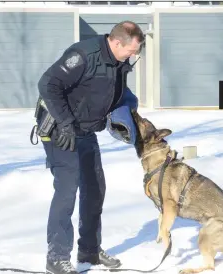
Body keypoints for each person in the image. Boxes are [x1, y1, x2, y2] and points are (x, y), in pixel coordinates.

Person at [35, 21, 145, 274]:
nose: (134, 55)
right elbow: (48, 85)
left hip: (84, 130)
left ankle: (90, 251)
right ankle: (57, 257)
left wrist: (128, 114)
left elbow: (114, 91)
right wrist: (64, 123)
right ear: (117, 42)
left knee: (95, 187)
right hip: (59, 130)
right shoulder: (83, 55)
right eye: (131, 50)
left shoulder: (119, 62)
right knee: (67, 189)